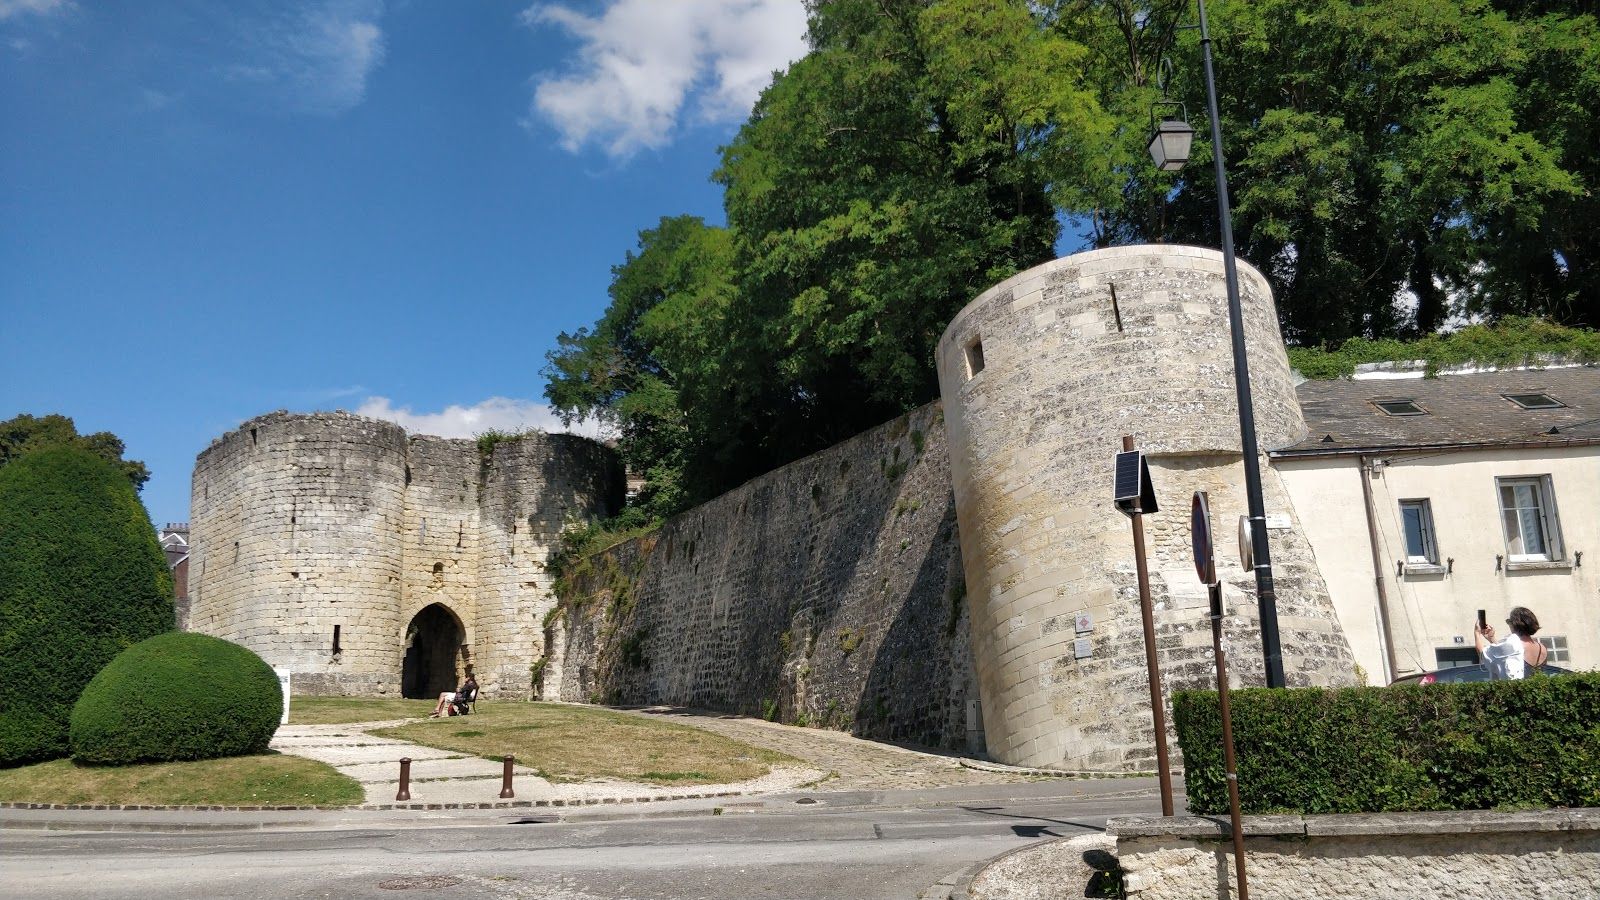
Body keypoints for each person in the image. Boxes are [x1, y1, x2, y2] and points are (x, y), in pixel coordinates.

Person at [1475, 607, 1541, 680]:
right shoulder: (1541, 648)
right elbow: (1503, 655)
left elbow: (1482, 654)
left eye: (1508, 621)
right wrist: (1491, 638)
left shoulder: (1513, 643)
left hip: (1515, 690)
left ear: (1515, 623)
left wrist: (1477, 633)